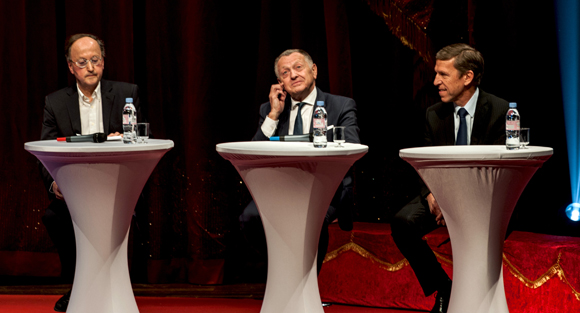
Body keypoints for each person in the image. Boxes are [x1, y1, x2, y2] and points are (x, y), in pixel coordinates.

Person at [390, 43, 508, 313]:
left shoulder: (500, 111)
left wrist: (459, 202)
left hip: (483, 199)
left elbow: (499, 171)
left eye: (443, 74)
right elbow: (426, 165)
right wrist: (435, 196)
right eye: (436, 73)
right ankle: (443, 287)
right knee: (402, 222)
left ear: (467, 77)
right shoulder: (434, 114)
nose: (435, 81)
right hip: (441, 195)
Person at [39, 33, 141, 312]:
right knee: (52, 218)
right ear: (71, 67)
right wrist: (55, 184)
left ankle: (112, 287)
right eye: (82, 62)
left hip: (115, 190)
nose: (91, 67)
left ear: (103, 62)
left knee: (123, 217)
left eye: (95, 60)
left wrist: (126, 141)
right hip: (73, 194)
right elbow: (44, 152)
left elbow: (145, 139)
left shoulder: (124, 94)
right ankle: (79, 284)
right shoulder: (56, 102)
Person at [240, 49, 360, 277]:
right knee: (250, 217)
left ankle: (305, 285)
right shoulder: (270, 110)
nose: (293, 75)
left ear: (313, 70)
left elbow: (351, 148)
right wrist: (274, 115)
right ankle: (284, 273)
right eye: (285, 73)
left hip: (324, 187)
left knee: (311, 218)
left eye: (298, 67)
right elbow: (253, 153)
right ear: (280, 83)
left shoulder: (341, 106)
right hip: (282, 188)